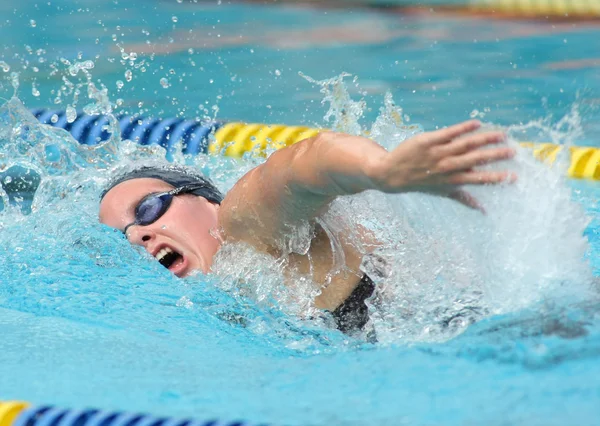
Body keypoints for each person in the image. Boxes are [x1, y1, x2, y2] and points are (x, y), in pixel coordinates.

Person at [99, 120, 515, 334]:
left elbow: (307, 163)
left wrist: (383, 170)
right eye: (125, 237)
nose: (138, 234)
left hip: (502, 325)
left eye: (149, 209)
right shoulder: (219, 301)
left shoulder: (244, 228)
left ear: (204, 200)